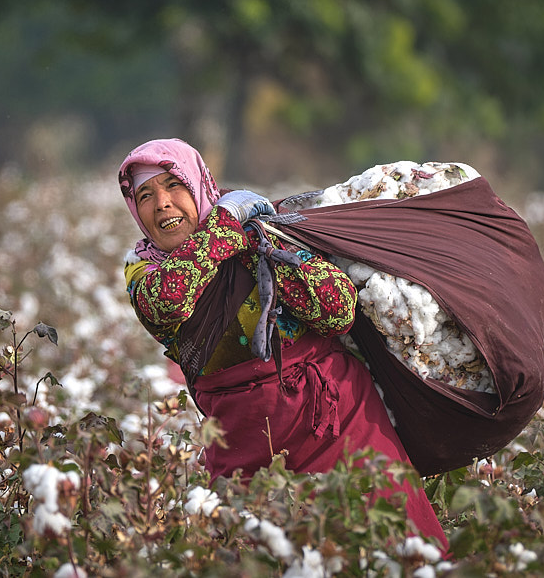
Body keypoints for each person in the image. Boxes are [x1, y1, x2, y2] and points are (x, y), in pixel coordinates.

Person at [119, 138, 448, 547]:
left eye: (174, 185)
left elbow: (337, 309)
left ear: (198, 184)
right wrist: (224, 229)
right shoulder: (144, 272)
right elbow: (169, 300)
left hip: (339, 426)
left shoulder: (262, 233)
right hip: (244, 451)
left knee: (394, 551)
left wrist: (262, 245)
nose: (162, 203)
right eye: (146, 194)